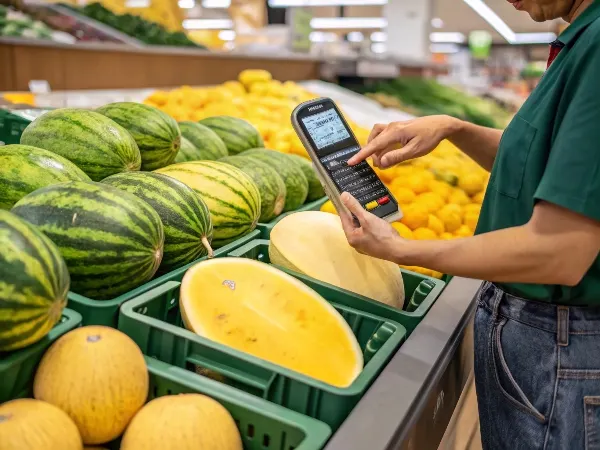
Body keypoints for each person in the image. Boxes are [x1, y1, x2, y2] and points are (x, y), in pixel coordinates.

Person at [340, 0, 600, 448]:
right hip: (544, 338)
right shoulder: (580, 37)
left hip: (559, 348)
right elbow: (544, 166)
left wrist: (402, 249)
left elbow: (560, 252)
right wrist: (455, 129)